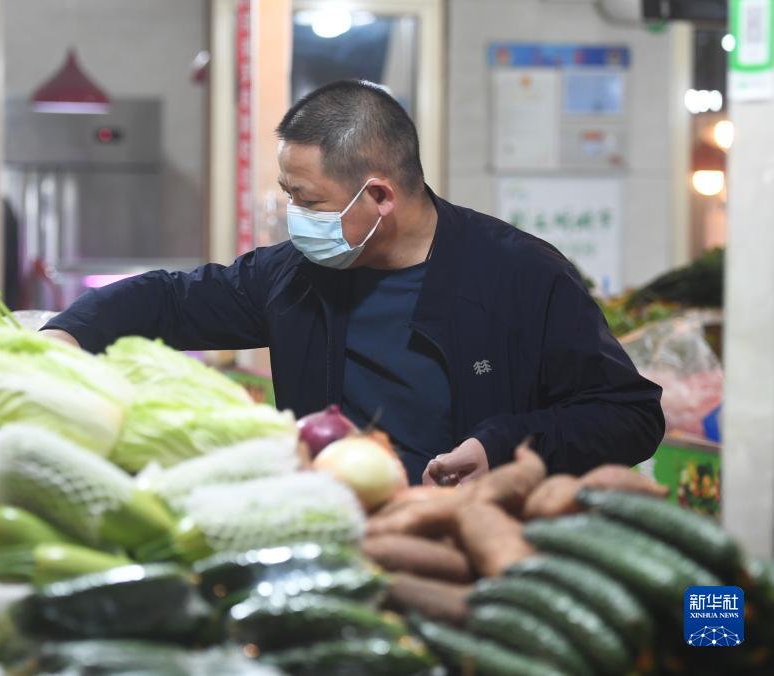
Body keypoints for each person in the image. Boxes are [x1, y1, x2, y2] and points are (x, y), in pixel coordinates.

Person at [42, 79, 664, 486]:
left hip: (476, 548)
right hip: (335, 539)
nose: (293, 217)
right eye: (289, 194)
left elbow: (629, 415)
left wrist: (500, 445)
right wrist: (70, 334)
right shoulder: (296, 275)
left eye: (306, 199)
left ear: (379, 197)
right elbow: (171, 300)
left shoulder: (520, 276)